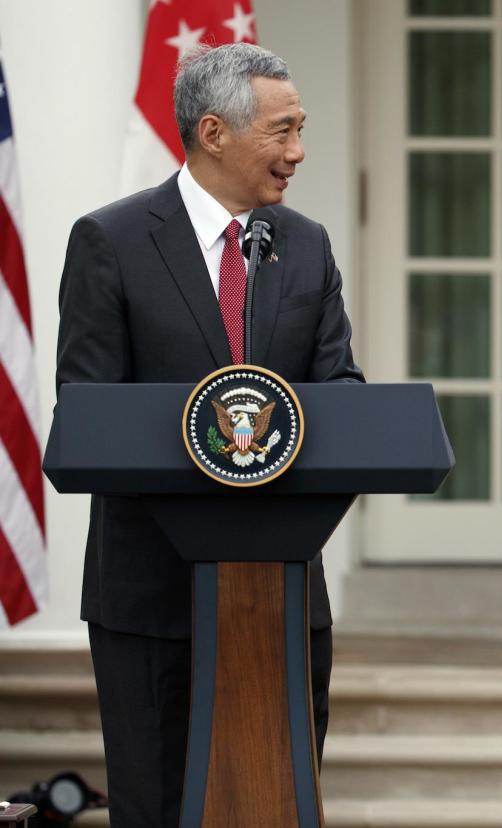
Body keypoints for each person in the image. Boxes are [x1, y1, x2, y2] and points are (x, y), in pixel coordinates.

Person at [54, 43, 363, 826]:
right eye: (282, 130)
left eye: (302, 129)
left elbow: (343, 403)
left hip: (281, 600)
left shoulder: (307, 245)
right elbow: (88, 415)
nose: (298, 152)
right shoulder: (110, 242)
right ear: (215, 133)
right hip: (151, 600)